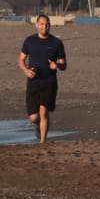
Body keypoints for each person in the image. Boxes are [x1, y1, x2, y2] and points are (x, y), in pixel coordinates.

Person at [18, 13, 68, 145]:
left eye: (47, 24)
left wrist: (56, 65)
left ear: (49, 25)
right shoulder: (29, 41)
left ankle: (42, 142)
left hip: (49, 82)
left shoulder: (56, 43)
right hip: (33, 82)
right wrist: (26, 70)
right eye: (41, 24)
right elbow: (21, 60)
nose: (44, 27)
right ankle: (38, 126)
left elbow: (64, 65)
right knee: (34, 117)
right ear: (36, 25)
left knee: (44, 112)